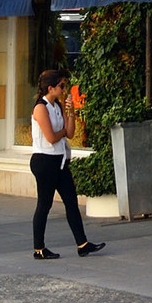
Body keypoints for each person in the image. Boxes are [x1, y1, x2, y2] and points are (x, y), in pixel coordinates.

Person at [30, 68, 106, 261]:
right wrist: (62, 132)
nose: (64, 90)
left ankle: (83, 244)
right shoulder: (41, 107)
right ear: (51, 87)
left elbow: (70, 133)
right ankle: (39, 248)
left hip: (60, 160)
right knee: (44, 204)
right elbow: (51, 138)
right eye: (61, 86)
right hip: (45, 161)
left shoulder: (57, 106)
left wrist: (70, 112)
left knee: (71, 201)